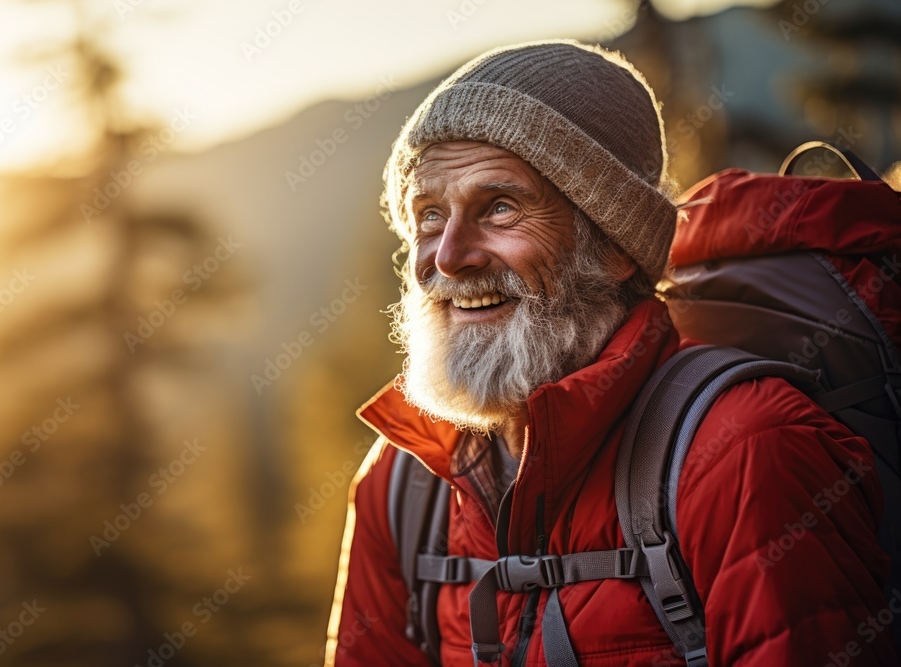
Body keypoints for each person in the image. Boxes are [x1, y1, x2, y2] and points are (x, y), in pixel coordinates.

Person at [324, 40, 894, 666]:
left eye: (501, 207)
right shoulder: (407, 478)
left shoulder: (747, 450)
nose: (450, 256)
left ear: (616, 245)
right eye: (428, 216)